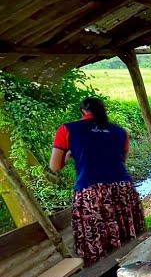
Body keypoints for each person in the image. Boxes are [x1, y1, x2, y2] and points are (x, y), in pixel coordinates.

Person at [49, 97, 145, 266]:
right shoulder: (120, 131)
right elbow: (121, 160)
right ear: (103, 110)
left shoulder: (67, 129)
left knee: (96, 238)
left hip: (91, 193)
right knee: (126, 233)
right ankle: (133, 267)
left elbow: (55, 166)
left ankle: (103, 276)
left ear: (82, 112)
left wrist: (69, 154)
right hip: (122, 188)